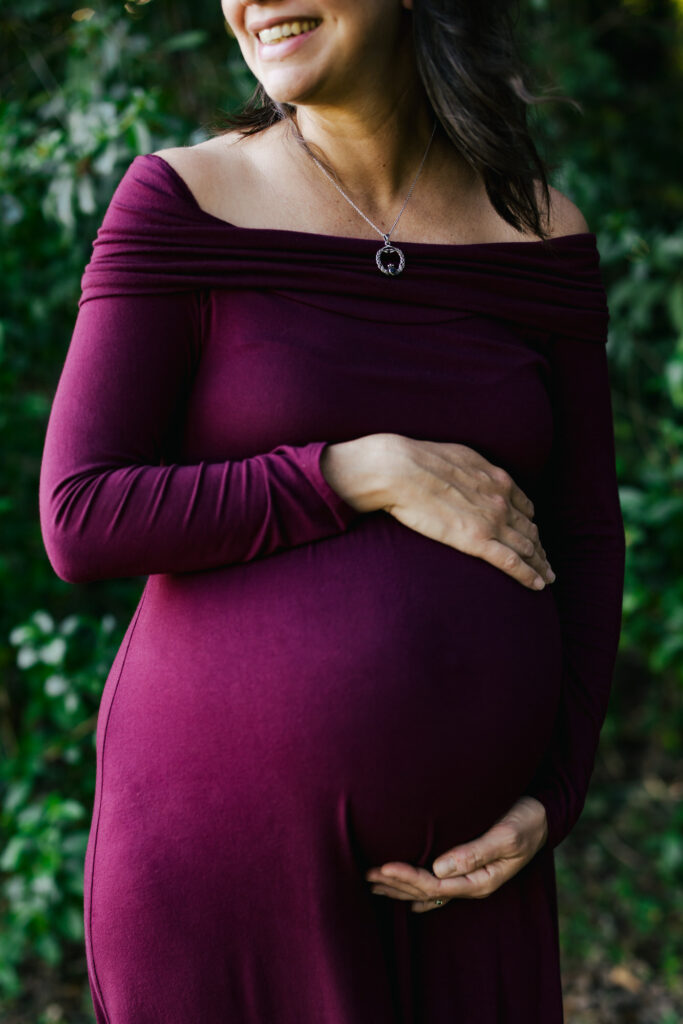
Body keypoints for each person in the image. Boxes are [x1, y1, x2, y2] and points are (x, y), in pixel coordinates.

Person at [38, 0, 626, 1020]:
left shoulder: (537, 228)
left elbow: (582, 537)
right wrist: (354, 469)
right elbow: (82, 514)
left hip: (466, 881)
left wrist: (552, 797)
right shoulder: (185, 198)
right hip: (222, 867)